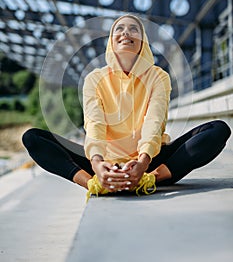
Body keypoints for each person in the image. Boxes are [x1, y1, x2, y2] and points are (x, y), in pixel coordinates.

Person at [22, 14, 231, 196]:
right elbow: (95, 124)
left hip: (151, 162)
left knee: (218, 130)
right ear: (111, 41)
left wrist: (143, 162)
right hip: (106, 162)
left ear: (143, 42)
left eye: (134, 29)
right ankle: (95, 183)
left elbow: (154, 120)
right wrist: (97, 163)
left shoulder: (158, 76)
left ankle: (149, 181)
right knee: (33, 138)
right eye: (119, 29)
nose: (126, 33)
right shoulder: (95, 79)